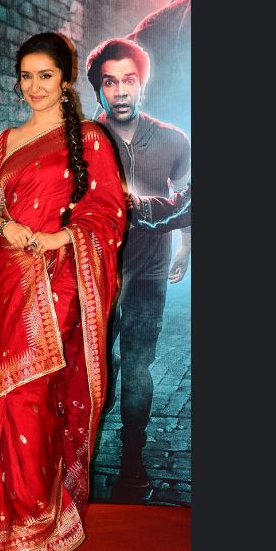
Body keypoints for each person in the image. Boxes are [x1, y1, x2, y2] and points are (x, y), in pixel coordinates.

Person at [0, 32, 126, 551]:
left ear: (64, 79)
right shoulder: (8, 140)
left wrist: (53, 239)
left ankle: (33, 526)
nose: (35, 86)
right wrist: (8, 230)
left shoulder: (89, 138)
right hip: (11, 276)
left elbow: (107, 214)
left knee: (32, 396)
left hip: (60, 278)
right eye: (26, 76)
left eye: (45, 76)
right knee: (7, 398)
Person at [85, 37, 191, 489]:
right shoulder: (83, 140)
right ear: (99, 90)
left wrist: (185, 248)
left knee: (138, 364)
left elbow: (186, 198)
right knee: (94, 366)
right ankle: (84, 458)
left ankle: (132, 459)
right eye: (110, 82)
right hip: (96, 270)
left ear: (142, 84)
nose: (121, 91)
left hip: (149, 269)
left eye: (129, 80)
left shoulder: (172, 139)